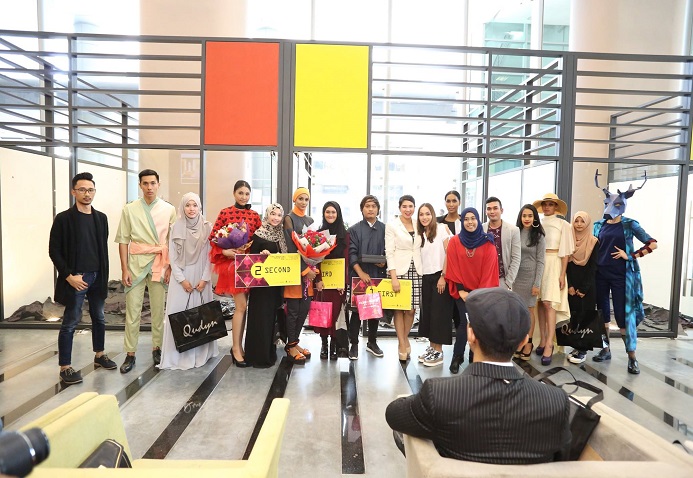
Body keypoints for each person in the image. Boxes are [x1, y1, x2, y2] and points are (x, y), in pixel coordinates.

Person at [385, 288, 571, 464]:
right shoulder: (556, 402)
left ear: (471, 335)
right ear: (523, 341)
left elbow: (393, 414)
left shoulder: (440, 394)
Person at [49, 172, 116, 384]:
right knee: (70, 322)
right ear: (73, 192)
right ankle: (65, 367)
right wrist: (69, 276)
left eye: (90, 190)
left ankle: (99, 355)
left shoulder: (101, 218)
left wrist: (102, 276)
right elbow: (54, 251)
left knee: (99, 317)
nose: (87, 194)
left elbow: (101, 249)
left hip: (97, 276)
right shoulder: (64, 219)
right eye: (82, 190)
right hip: (76, 277)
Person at [592, 175, 657, 374]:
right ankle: (605, 349)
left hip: (622, 276)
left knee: (623, 316)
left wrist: (630, 255)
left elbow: (652, 244)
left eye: (616, 204)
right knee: (602, 314)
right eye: (608, 203)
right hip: (600, 275)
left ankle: (632, 357)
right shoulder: (598, 225)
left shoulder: (630, 224)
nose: (611, 207)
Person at [115, 169, 177, 374]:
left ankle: (157, 348)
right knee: (133, 311)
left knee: (158, 311)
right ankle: (130, 353)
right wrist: (124, 268)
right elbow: (123, 240)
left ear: (158, 184)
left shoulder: (169, 209)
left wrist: (170, 267)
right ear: (140, 185)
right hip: (136, 264)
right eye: (145, 183)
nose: (149, 187)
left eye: (153, 183)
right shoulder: (129, 209)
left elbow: (173, 241)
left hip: (160, 263)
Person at [159, 193, 218, 370]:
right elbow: (173, 257)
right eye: (187, 205)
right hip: (181, 278)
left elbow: (210, 256)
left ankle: (201, 354)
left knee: (202, 316)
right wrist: (182, 280)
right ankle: (179, 356)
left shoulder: (207, 227)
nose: (191, 209)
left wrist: (205, 279)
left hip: (201, 277)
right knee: (179, 314)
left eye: (195, 205)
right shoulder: (175, 227)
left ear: (200, 207)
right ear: (182, 207)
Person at [208, 180, 262, 368]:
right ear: (234, 193)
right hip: (232, 265)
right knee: (241, 306)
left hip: (249, 265)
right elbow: (214, 238)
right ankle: (236, 348)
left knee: (244, 307)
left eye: (247, 193)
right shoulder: (225, 213)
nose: (244, 197)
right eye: (240, 193)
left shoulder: (254, 215)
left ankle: (240, 346)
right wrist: (225, 251)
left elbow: (260, 238)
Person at [444, 207, 499, 373]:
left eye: (473, 218)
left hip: (481, 293)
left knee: (478, 324)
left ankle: (474, 356)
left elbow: (489, 270)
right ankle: (457, 356)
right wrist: (461, 291)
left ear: (478, 220)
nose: (470, 222)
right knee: (464, 322)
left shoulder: (488, 242)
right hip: (462, 292)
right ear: (462, 222)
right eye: (466, 219)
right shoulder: (455, 241)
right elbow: (453, 266)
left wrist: (477, 294)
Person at [532, 193, 575, 366]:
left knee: (549, 303)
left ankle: (550, 343)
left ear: (556, 207)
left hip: (555, 263)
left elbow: (565, 252)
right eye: (545, 204)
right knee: (540, 303)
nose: (547, 207)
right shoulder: (537, 223)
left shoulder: (564, 225)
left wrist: (562, 274)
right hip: (538, 263)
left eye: (551, 204)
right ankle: (542, 339)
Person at [244, 203, 287, 368]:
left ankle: (270, 352)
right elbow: (252, 261)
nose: (275, 218)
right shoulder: (259, 235)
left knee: (272, 319)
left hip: (276, 285)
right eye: (273, 214)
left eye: (279, 215)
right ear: (267, 215)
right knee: (261, 318)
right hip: (261, 287)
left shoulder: (281, 235)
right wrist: (261, 256)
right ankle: (258, 356)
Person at [347, 195, 387, 360]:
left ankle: (372, 342)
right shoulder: (354, 229)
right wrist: (360, 273)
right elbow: (351, 253)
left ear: (378, 209)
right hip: (359, 276)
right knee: (357, 312)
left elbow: (389, 251)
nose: (371, 209)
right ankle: (354, 344)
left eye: (373, 206)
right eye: (367, 206)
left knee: (374, 310)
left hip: (378, 275)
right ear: (362, 209)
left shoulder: (385, 229)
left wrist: (384, 262)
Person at [283, 187, 319, 364]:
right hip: (295, 273)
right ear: (294, 199)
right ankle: (290, 346)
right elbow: (291, 248)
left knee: (303, 310)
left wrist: (313, 267)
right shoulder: (288, 219)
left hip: (308, 275)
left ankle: (295, 343)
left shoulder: (310, 220)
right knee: (293, 311)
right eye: (300, 199)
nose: (303, 202)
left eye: (306, 199)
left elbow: (315, 246)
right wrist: (305, 270)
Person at [415, 203, 453, 367]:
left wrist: (443, 276)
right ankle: (432, 348)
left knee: (439, 315)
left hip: (440, 276)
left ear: (433, 214)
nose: (424, 217)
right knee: (429, 314)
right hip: (426, 277)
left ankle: (439, 351)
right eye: (421, 214)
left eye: (427, 214)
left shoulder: (442, 229)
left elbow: (450, 253)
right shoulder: (421, 234)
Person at [386, 195, 423, 361]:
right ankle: (402, 344)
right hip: (399, 270)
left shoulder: (418, 223)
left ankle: (404, 338)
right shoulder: (392, 225)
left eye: (411, 206)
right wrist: (393, 277)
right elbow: (389, 252)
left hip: (417, 270)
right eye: (405, 206)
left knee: (411, 310)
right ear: (399, 208)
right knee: (399, 309)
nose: (408, 209)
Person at [314, 201, 348, 360]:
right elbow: (315, 260)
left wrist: (342, 282)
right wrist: (318, 279)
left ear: (338, 214)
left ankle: (334, 344)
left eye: (333, 212)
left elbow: (346, 260)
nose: (330, 215)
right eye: (327, 212)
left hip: (338, 283)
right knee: (323, 313)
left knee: (335, 313)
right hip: (323, 282)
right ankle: (324, 344)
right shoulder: (318, 234)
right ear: (323, 214)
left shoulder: (345, 235)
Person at [566, 211, 600, 365]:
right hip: (572, 285)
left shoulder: (593, 242)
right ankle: (576, 347)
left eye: (582, 221)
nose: (579, 224)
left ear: (587, 224)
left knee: (586, 316)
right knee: (574, 316)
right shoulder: (569, 241)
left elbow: (593, 267)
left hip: (588, 286)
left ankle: (583, 350)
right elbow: (566, 265)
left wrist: (584, 288)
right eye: (576, 221)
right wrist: (570, 285)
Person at [512, 204, 546, 360]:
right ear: (520, 217)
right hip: (516, 277)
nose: (527, 219)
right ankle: (521, 340)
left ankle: (529, 343)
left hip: (531, 277)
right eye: (524, 216)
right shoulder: (515, 232)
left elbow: (541, 261)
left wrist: (537, 283)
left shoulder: (539, 236)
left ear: (535, 218)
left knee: (529, 310)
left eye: (530, 216)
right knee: (519, 312)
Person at [482, 196, 521, 291]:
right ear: (485, 212)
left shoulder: (513, 230)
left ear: (501, 210)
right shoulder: (481, 229)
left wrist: (508, 282)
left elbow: (516, 257)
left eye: (495, 208)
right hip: (484, 279)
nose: (492, 211)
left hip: (502, 280)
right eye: (489, 209)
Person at [436, 190, 462, 332]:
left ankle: (460, 341)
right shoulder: (438, 222)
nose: (451, 204)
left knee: (460, 310)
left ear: (459, 202)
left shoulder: (465, 221)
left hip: (461, 271)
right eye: (448, 201)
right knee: (444, 308)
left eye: (454, 201)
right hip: (443, 270)